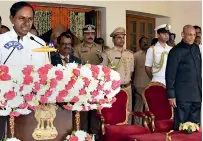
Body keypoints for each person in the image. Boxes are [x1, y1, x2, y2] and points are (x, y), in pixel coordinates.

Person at [0, 1, 48, 140]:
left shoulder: (39, 44)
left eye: (30, 19)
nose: (27, 23)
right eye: (22, 18)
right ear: (11, 19)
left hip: (31, 105)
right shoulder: (1, 41)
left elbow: (45, 74)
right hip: (4, 104)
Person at [166, 25, 202, 131]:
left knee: (195, 128)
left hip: (196, 95)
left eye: (194, 35)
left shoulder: (196, 48)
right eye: (190, 35)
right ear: (183, 35)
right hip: (182, 96)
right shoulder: (175, 51)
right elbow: (170, 75)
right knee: (182, 128)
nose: (192, 37)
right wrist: (171, 95)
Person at [102, 27, 134, 123]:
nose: (121, 40)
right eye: (119, 37)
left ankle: (128, 133)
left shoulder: (130, 54)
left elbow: (131, 71)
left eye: (123, 37)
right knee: (114, 113)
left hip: (127, 87)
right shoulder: (107, 54)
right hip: (113, 88)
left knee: (128, 111)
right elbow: (103, 72)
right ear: (113, 39)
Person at [133, 37, 151, 125]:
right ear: (139, 44)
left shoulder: (152, 54)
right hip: (139, 85)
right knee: (138, 107)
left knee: (149, 107)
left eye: (147, 42)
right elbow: (132, 71)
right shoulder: (135, 56)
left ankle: (148, 126)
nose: (145, 43)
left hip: (150, 85)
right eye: (143, 42)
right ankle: (137, 126)